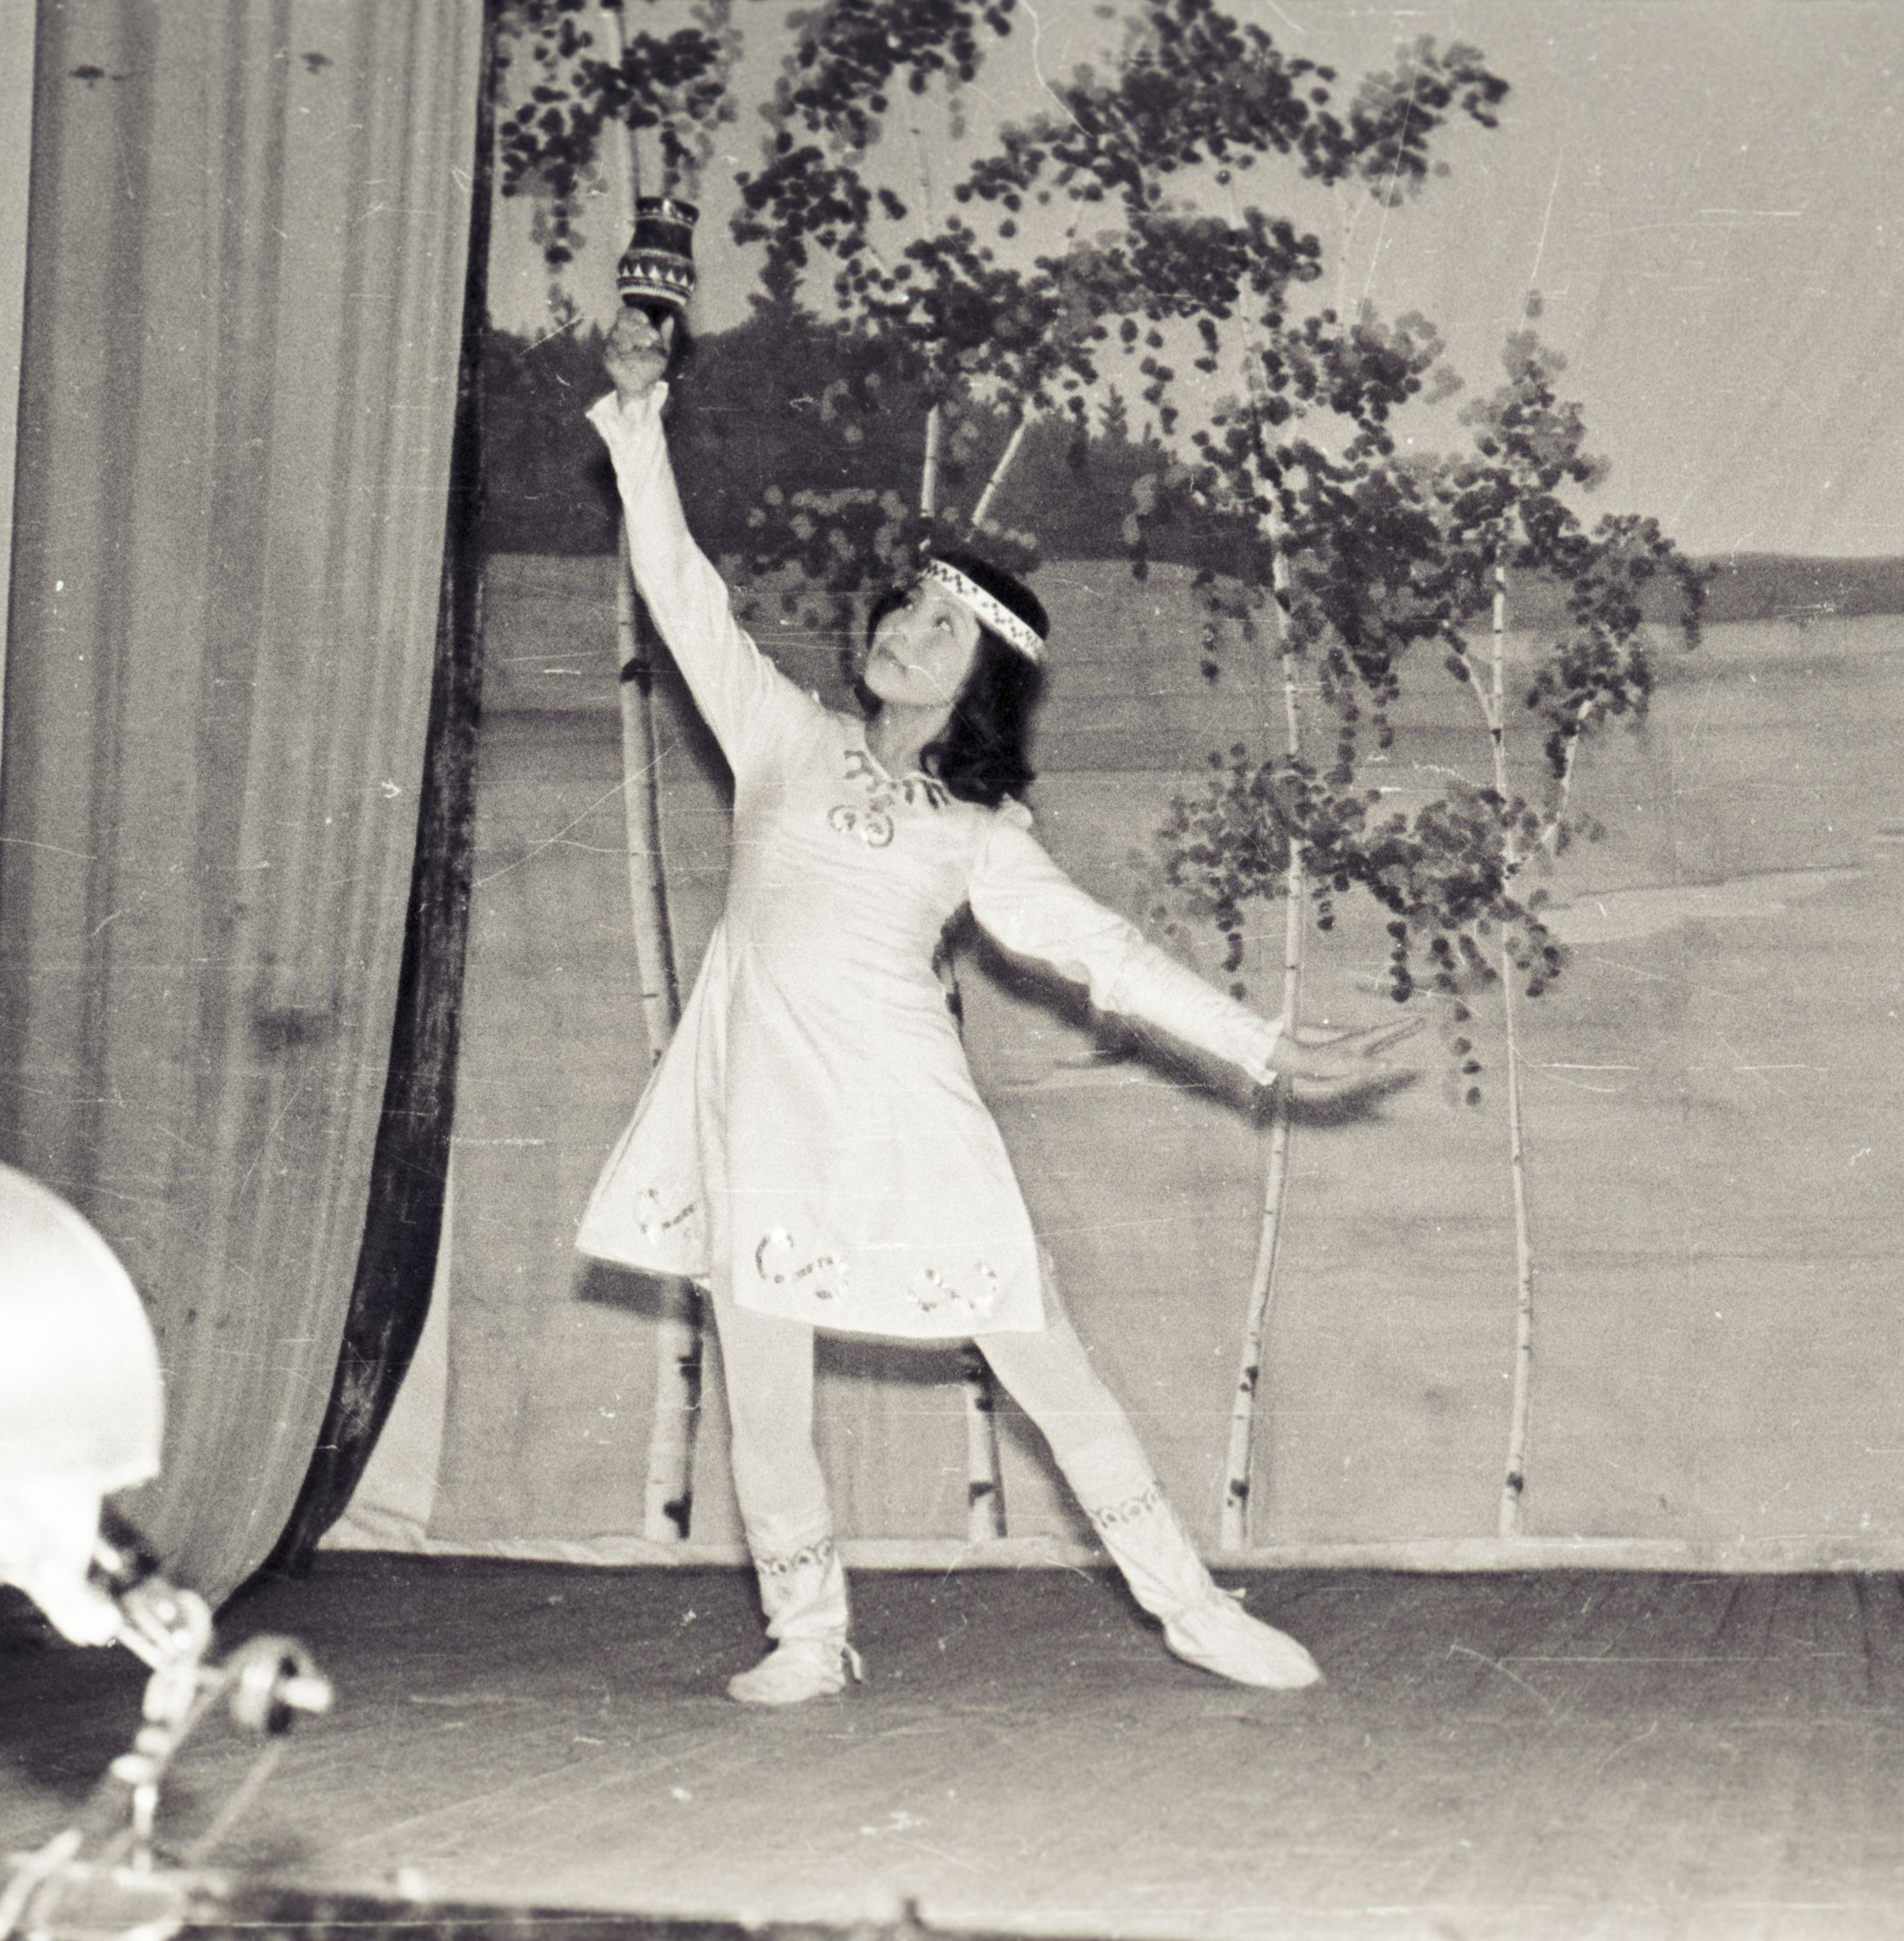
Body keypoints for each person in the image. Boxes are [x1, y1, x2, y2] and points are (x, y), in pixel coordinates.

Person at [575, 305, 1413, 1705]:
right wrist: (642, 415)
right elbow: (674, 579)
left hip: (907, 1118)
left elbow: (1105, 955)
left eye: (943, 629)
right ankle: (807, 1634)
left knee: (1047, 1366)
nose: (907, 632)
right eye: (906, 609)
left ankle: (1192, 1609)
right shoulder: (781, 733)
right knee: (762, 1388)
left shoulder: (979, 831)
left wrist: (1267, 1048)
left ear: (982, 681)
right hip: (759, 1108)